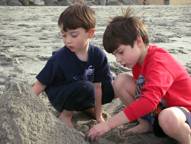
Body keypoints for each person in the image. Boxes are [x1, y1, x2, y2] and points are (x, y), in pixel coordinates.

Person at [87, 8, 191, 144]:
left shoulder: (159, 62)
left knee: (168, 118)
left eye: (121, 52)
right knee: (121, 81)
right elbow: (142, 93)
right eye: (115, 55)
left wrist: (108, 124)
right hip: (160, 109)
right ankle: (145, 124)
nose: (118, 59)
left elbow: (148, 102)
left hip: (183, 113)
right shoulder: (137, 62)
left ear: (139, 41)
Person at [32, 4, 114, 128]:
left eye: (73, 35)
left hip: (83, 90)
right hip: (60, 95)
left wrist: (98, 116)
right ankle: (66, 115)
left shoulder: (98, 55)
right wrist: (25, 103)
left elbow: (99, 87)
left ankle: (88, 107)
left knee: (110, 87)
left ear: (90, 33)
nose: (67, 40)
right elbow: (40, 85)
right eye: (64, 35)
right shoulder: (59, 58)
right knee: (85, 86)